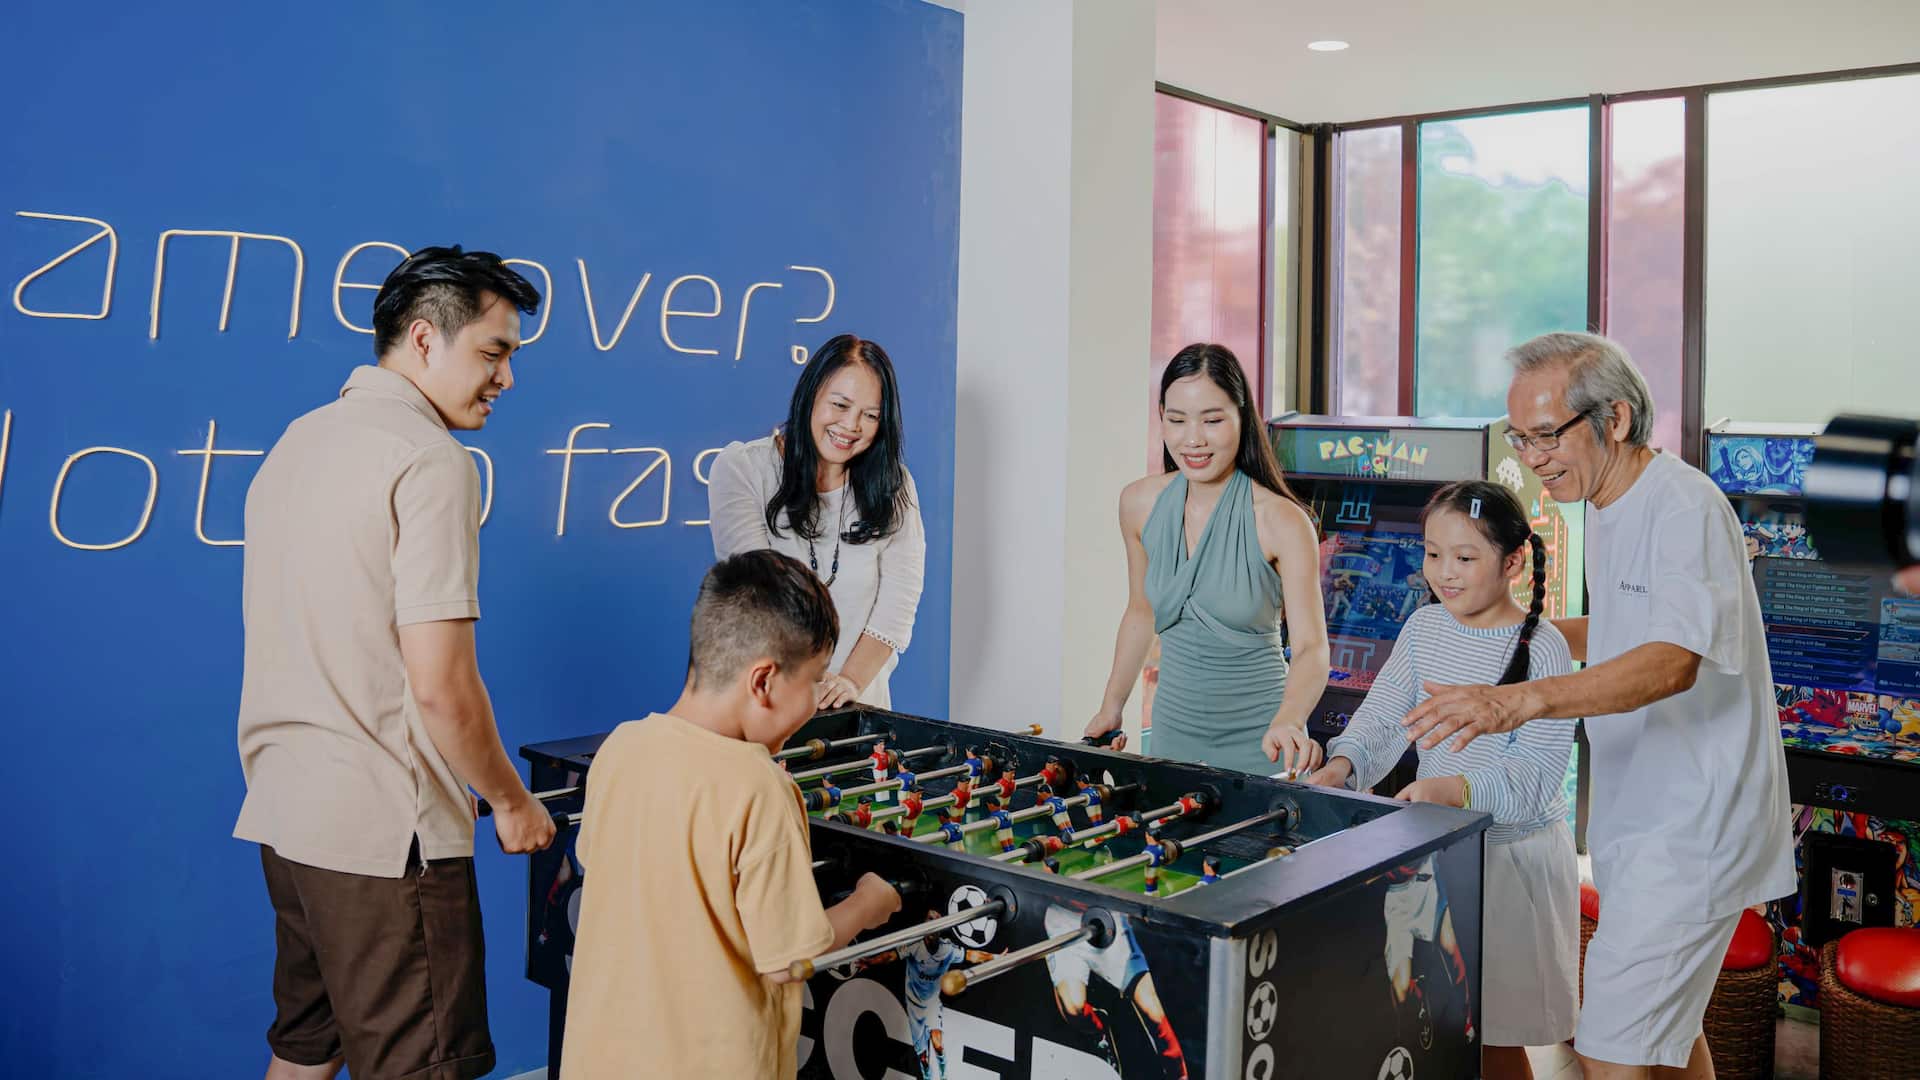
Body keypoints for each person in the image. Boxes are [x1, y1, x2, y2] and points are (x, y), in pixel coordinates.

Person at [1404, 332, 1794, 1079]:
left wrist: (1517, 699)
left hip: (1693, 832)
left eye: (1547, 435)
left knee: (1608, 1052)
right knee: (1666, 1043)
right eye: (1521, 437)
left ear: (1614, 418)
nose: (1533, 456)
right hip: (1645, 822)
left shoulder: (1682, 507)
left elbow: (1672, 661)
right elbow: (1625, 629)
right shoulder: (1611, 501)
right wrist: (1502, 627)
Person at [232, 246, 551, 1080]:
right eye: (494, 351)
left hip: (287, 815)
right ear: (422, 339)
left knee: (304, 1048)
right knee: (422, 1066)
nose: (507, 378)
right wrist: (510, 802)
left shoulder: (298, 442)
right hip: (383, 839)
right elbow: (442, 686)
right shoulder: (431, 461)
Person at [562, 550, 902, 1077]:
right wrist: (868, 904)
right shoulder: (759, 787)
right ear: (763, 681)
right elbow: (790, 956)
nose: (817, 700)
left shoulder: (621, 749)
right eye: (813, 680)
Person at [1308, 480, 1577, 1077]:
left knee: (1497, 1042)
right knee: (1439, 1028)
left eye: (1465, 558)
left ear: (1512, 562)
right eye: (1433, 554)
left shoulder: (1545, 651)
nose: (1445, 573)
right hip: (1437, 856)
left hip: (1513, 867)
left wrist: (1453, 792)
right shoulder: (1424, 629)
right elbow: (1383, 718)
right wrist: (1343, 766)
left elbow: (1534, 783)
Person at [1085, 343, 1329, 776]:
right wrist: (1111, 705)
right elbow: (1141, 611)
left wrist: (1290, 718)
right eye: (1176, 420)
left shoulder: (1282, 521)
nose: (1192, 439)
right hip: (1171, 737)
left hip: (1265, 740)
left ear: (1242, 417)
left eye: (1212, 420)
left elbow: (1311, 648)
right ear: (1161, 415)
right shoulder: (1139, 503)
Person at [708, 333, 927, 710]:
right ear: (811, 395)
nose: (851, 426)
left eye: (870, 415)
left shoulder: (894, 485)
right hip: (766, 705)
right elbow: (759, 594)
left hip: (857, 707)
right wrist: (806, 684)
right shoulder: (743, 468)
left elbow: (898, 603)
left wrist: (849, 682)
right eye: (839, 405)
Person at [850, 911, 998, 1080]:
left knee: (937, 1043)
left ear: (941, 927)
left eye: (936, 920)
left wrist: (996, 957)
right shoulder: (914, 946)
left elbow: (972, 955)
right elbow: (890, 956)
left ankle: (943, 1075)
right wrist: (871, 962)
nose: (932, 923)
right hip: (914, 1003)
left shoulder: (947, 949)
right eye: (929, 919)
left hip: (932, 1002)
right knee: (922, 1055)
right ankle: (927, 1073)